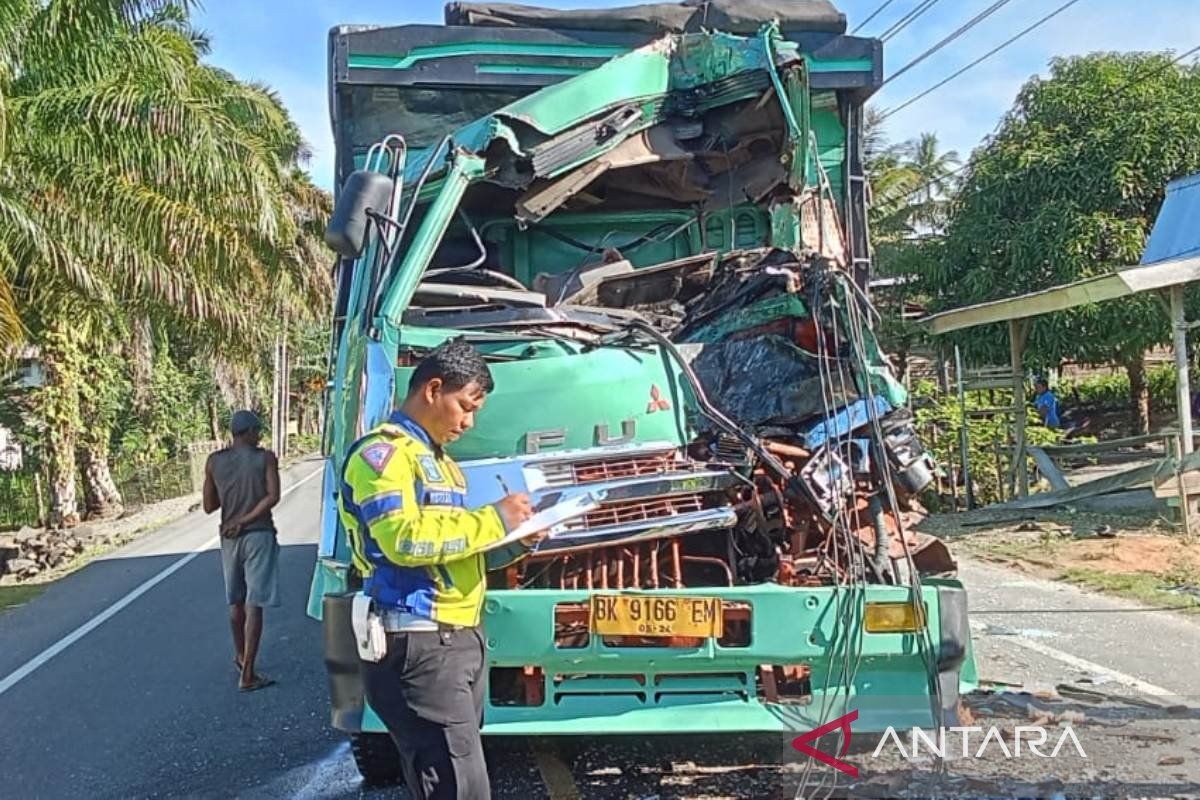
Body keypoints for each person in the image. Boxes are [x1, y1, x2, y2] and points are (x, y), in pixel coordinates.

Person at [338, 338, 542, 800]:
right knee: (460, 788)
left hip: (457, 639)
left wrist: (511, 543)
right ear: (433, 389)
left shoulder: (442, 464)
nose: (469, 423)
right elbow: (403, 540)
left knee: (451, 783)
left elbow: (451, 552)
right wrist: (494, 519)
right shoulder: (382, 456)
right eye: (465, 406)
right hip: (420, 642)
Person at [203, 410, 281, 693]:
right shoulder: (265, 458)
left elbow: (209, 505)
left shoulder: (214, 461)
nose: (259, 435)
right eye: (257, 431)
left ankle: (240, 656)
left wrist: (232, 513)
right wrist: (246, 519)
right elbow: (273, 496)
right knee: (254, 602)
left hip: (229, 538)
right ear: (248, 432)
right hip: (258, 533)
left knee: (235, 602)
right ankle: (247, 673)